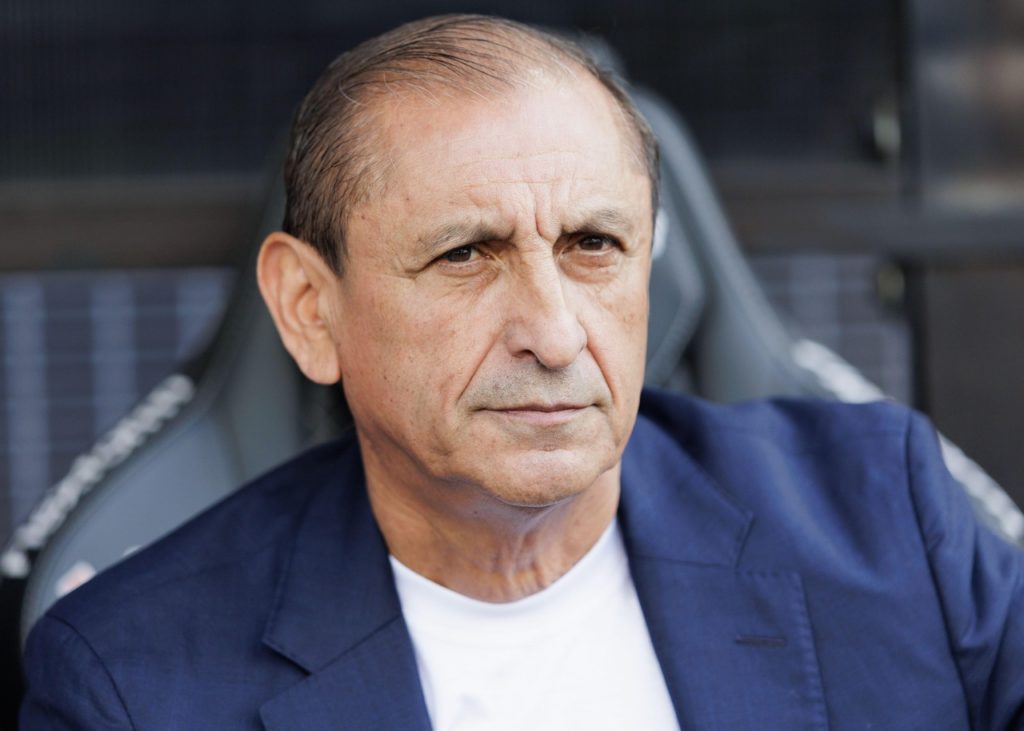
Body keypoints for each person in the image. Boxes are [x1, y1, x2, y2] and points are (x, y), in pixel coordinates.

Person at [19, 14, 1024, 730]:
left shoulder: (882, 518)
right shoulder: (133, 679)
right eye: (464, 254)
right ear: (308, 310)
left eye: (593, 243)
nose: (552, 330)